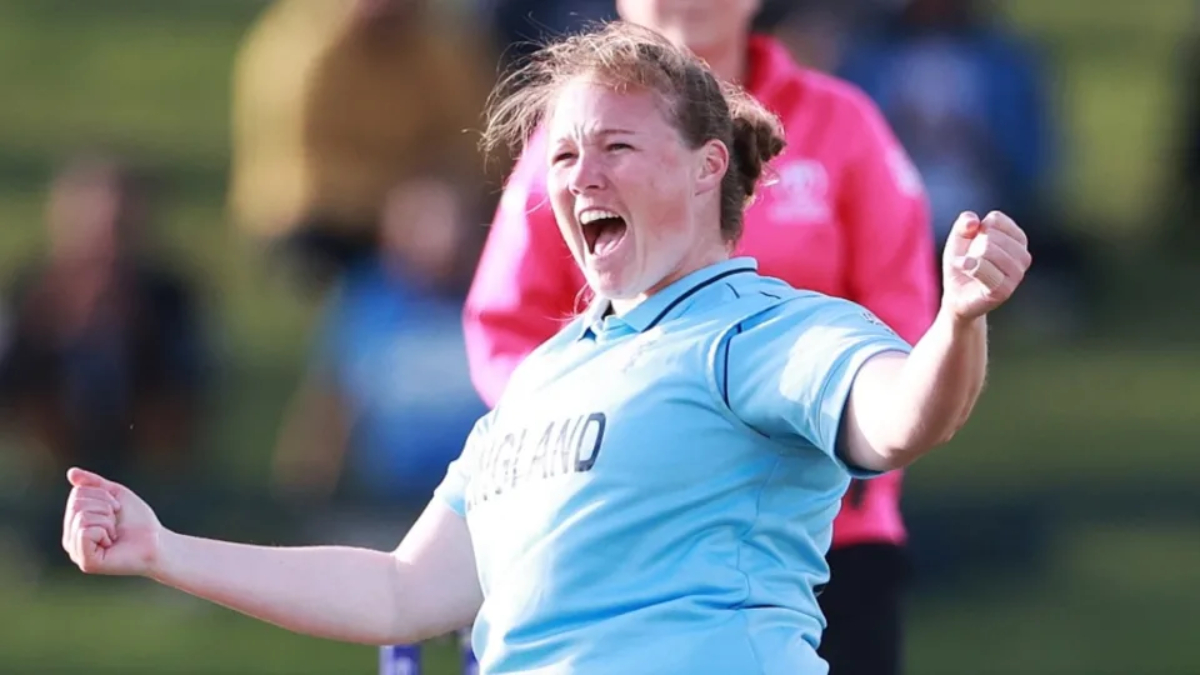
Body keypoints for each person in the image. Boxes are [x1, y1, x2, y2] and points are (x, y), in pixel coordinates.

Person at [61, 22, 1031, 675]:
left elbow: (901, 416)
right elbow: (403, 591)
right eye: (563, 155)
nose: (579, 176)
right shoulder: (540, 383)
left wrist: (958, 320)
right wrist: (163, 549)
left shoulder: (759, 330)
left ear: (707, 171)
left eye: (615, 147)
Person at [462, 2, 937, 672]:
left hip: (830, 528)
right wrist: (585, 444)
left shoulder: (840, 121)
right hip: (635, 541)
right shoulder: (571, 141)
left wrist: (859, 421)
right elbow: (506, 321)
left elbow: (900, 299)